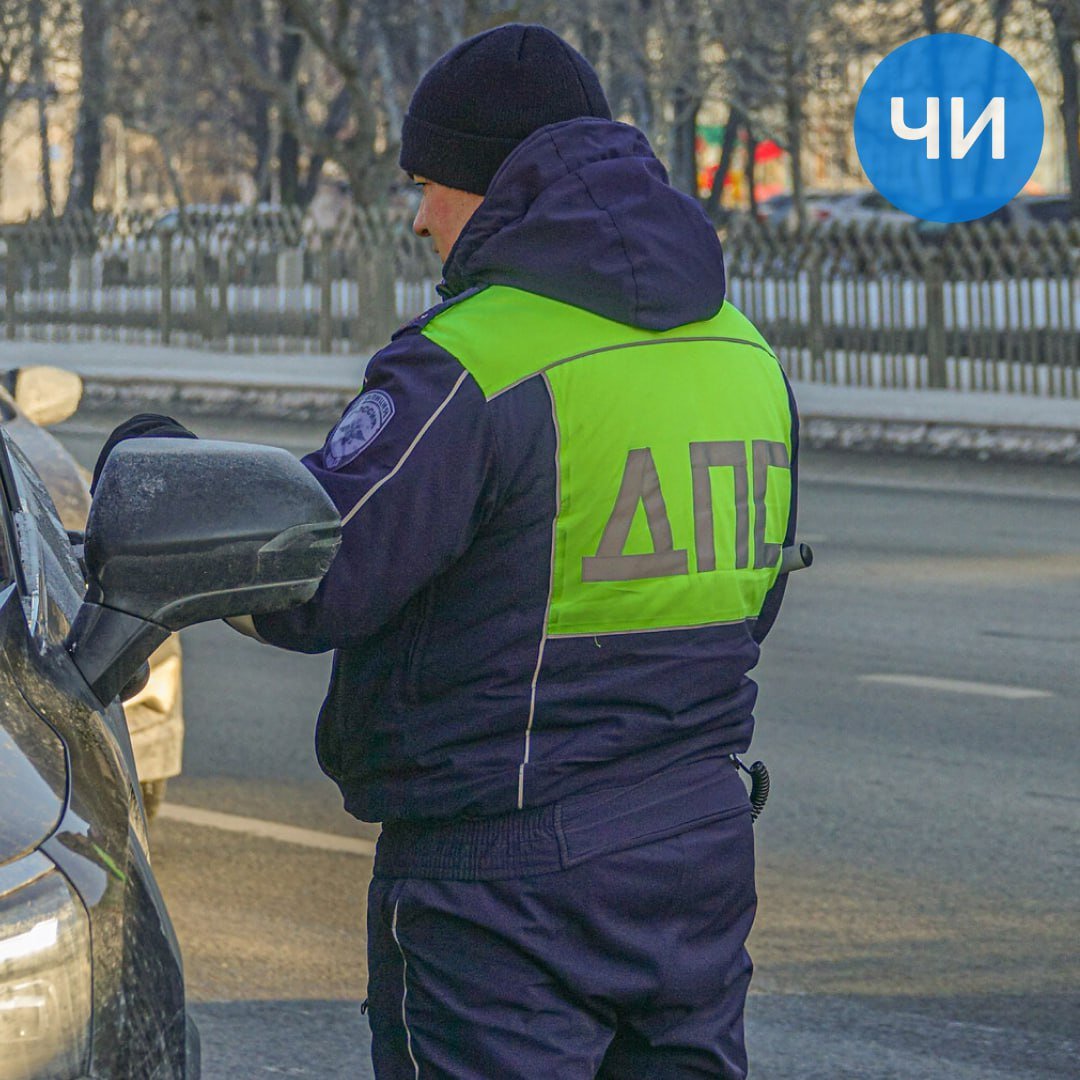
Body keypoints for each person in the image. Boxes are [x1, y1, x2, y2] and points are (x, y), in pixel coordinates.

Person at [96, 23, 799, 1079]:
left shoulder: (475, 362)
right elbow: (751, 607)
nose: (421, 217)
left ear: (495, 184)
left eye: (431, 183)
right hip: (696, 849)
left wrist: (156, 468)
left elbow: (314, 574)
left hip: (507, 887)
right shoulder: (744, 354)